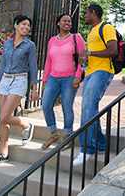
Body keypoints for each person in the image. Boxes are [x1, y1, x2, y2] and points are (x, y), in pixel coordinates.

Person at [0, 15, 39, 165]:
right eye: (23, 24)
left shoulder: (29, 45)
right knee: (3, 120)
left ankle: (26, 125)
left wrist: (35, 88)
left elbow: (33, 66)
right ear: (16, 25)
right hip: (4, 81)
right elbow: (2, 64)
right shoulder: (7, 44)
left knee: (3, 117)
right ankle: (3, 153)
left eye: (28, 25)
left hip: (19, 80)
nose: (26, 27)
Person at [72, 4, 116, 167]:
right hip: (91, 71)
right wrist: (84, 60)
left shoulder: (107, 27)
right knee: (88, 107)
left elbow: (113, 51)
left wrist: (89, 53)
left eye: (86, 13)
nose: (84, 15)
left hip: (103, 71)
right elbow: (95, 54)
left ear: (94, 13)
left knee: (88, 107)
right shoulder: (91, 32)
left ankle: (87, 149)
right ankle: (100, 144)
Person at [40, 14, 85, 151]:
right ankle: (53, 134)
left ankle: (67, 137)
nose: (67, 23)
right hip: (53, 78)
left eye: (69, 21)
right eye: (64, 20)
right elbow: (48, 61)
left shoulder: (76, 38)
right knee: (46, 105)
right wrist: (45, 80)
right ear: (58, 23)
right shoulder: (52, 40)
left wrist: (78, 76)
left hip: (70, 78)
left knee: (67, 107)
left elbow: (84, 58)